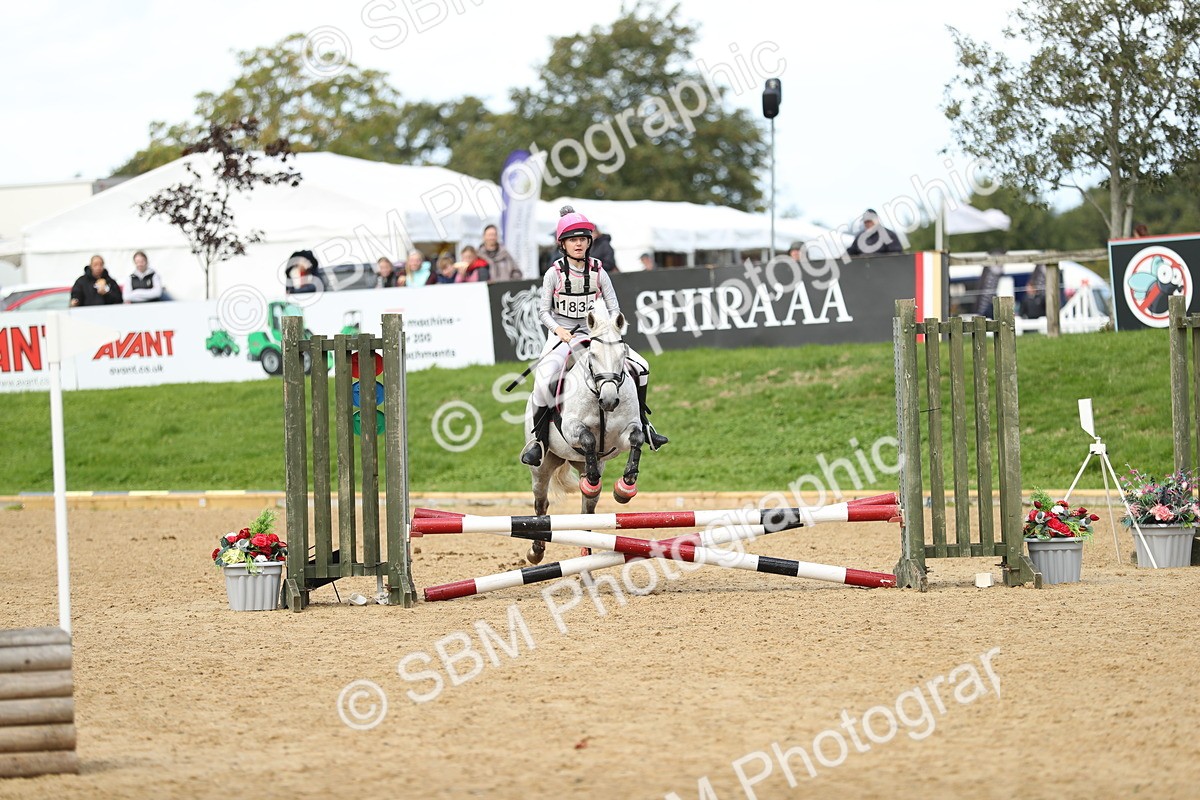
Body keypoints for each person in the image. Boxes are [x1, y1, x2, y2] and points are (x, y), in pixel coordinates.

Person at [520, 206, 668, 467]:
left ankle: (645, 425)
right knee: (543, 381)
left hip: (595, 331)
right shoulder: (553, 274)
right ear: (562, 244)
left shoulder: (599, 271)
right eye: (573, 240)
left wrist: (611, 327)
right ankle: (538, 441)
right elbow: (543, 311)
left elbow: (613, 306)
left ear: (589, 242)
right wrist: (558, 330)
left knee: (643, 366)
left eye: (583, 239)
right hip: (563, 333)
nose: (578, 244)